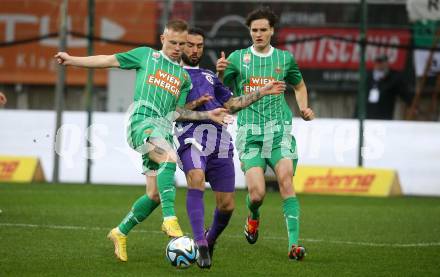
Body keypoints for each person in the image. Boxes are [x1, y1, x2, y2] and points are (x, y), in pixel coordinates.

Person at [54, 19, 229, 262]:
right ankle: (170, 220)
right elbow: (107, 60)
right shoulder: (146, 56)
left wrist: (206, 114)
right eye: (173, 42)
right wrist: (72, 59)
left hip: (164, 129)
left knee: (154, 195)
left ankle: (120, 232)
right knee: (169, 157)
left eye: (182, 43)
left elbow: (177, 112)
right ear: (162, 39)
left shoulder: (183, 77)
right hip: (142, 124)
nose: (178, 47)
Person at [177, 28, 286, 268]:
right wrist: (203, 111)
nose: (195, 50)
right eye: (190, 45)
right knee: (195, 178)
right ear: (180, 46)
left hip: (220, 141)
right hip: (191, 136)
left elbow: (231, 104)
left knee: (227, 205)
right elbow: (173, 113)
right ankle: (200, 245)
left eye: (199, 46)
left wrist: (261, 92)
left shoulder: (208, 76)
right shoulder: (174, 75)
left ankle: (210, 239)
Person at [216, 7, 314, 260]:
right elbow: (221, 93)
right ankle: (253, 216)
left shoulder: (284, 59)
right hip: (249, 134)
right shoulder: (238, 58)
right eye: (254, 30)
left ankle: (294, 245)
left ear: (272, 31)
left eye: (262, 30)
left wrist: (303, 108)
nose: (258, 34)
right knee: (257, 194)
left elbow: (299, 85)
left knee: (286, 181)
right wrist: (219, 72)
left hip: (279, 132)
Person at [364, 54, 413, 119]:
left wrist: (411, 104)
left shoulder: (393, 77)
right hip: (368, 115)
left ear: (386, 63)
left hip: (385, 115)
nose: (379, 65)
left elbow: (404, 93)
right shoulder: (369, 76)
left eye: (381, 62)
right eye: (377, 62)